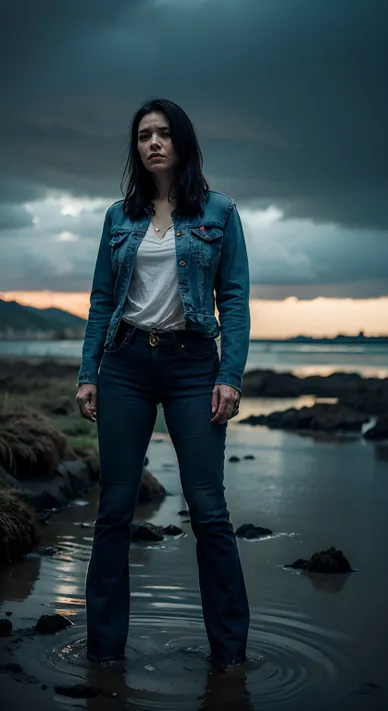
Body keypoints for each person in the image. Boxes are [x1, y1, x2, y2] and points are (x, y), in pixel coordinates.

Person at [76, 98, 251, 671]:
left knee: (208, 510)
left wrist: (230, 376)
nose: (153, 143)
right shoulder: (117, 217)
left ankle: (230, 655)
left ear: (183, 142)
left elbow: (235, 300)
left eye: (164, 133)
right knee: (114, 509)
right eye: (144, 135)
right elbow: (103, 299)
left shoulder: (219, 212)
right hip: (125, 364)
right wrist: (89, 373)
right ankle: (103, 651)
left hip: (193, 366)